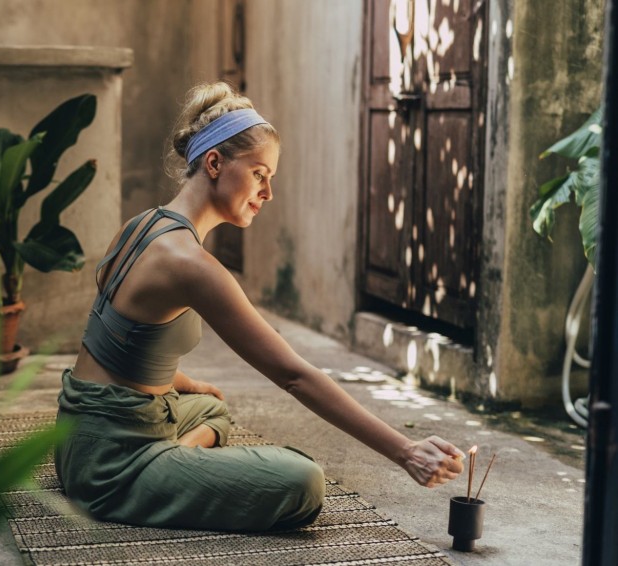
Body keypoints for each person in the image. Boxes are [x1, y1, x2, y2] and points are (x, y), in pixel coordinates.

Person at [54, 82, 465, 532]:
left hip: (75, 434)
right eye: (259, 174)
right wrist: (405, 451)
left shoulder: (142, 226)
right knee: (302, 482)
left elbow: (114, 338)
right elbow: (294, 375)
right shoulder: (192, 265)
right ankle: (158, 470)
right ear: (214, 163)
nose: (267, 192)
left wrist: (186, 383)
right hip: (110, 467)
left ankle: (172, 461)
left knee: (212, 407)